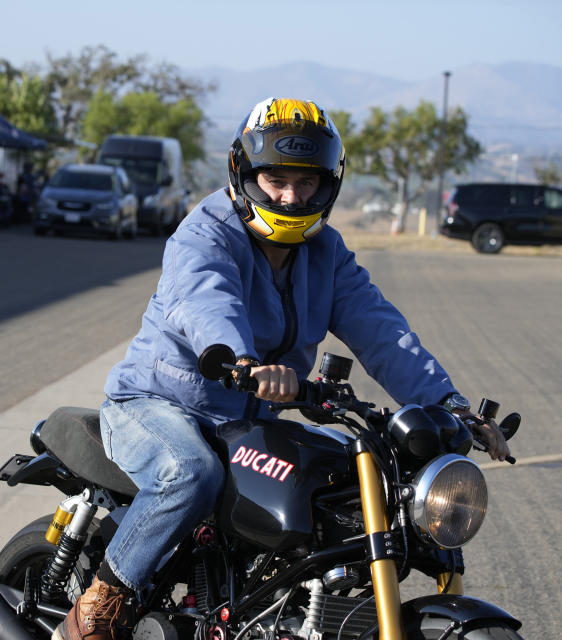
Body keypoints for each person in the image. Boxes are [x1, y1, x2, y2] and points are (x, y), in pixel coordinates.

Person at [53, 97, 510, 640]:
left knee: (335, 481)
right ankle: (98, 608)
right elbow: (205, 299)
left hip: (247, 420)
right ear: (245, 173)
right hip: (159, 405)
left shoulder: (327, 253)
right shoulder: (206, 232)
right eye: (276, 179)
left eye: (307, 182)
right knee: (190, 473)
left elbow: (383, 332)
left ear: (328, 185)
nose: (292, 196)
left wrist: (449, 405)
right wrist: (241, 360)